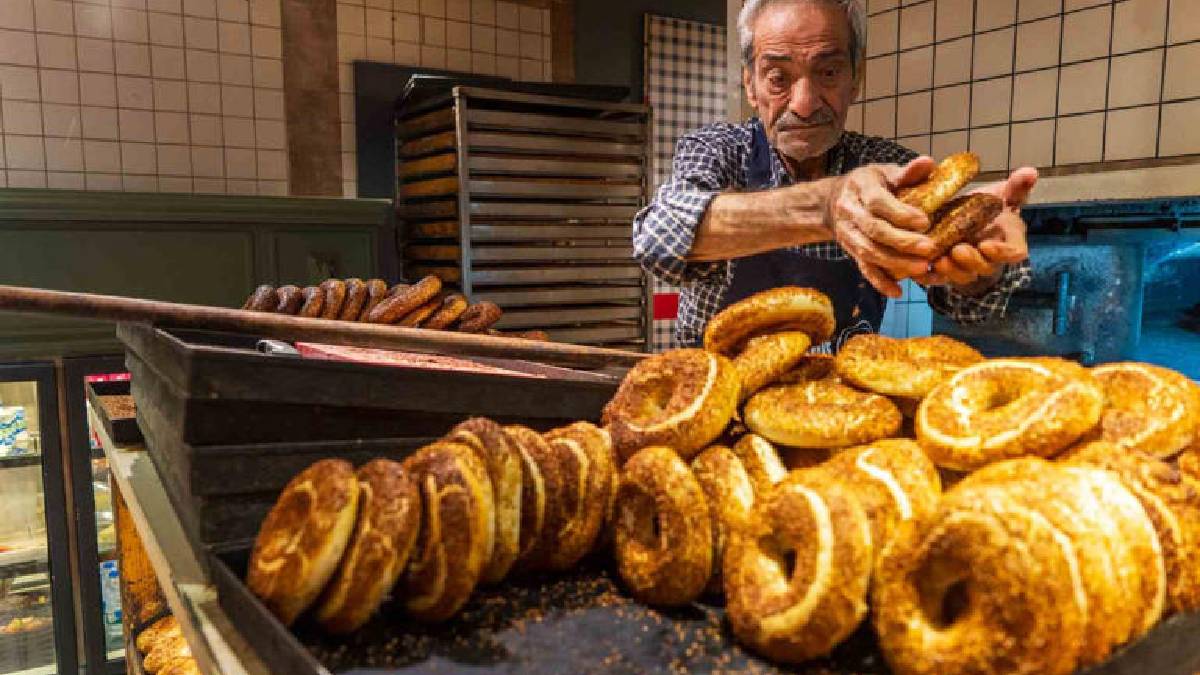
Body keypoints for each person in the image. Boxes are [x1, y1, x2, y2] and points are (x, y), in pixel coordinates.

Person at [633, 0, 1035, 350]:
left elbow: (969, 306)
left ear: (855, 79)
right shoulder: (717, 150)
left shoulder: (890, 168)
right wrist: (827, 207)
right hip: (715, 397)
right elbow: (659, 240)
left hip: (837, 404)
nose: (805, 105)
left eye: (828, 73)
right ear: (751, 85)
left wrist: (977, 269)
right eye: (778, 78)